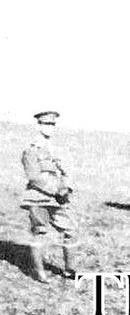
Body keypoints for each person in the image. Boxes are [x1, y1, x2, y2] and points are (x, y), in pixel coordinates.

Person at [20, 111, 75, 283]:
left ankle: (70, 269)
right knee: (39, 233)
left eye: (52, 125)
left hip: (57, 199)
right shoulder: (31, 149)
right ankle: (39, 272)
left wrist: (67, 187)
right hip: (38, 198)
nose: (49, 128)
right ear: (39, 126)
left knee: (71, 231)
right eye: (46, 124)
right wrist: (55, 190)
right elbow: (34, 177)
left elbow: (66, 171)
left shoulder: (55, 149)